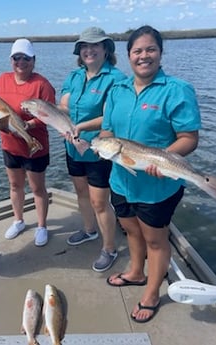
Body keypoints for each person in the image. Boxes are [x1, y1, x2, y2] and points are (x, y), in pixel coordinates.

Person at [101, 25, 202, 322]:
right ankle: (135, 272)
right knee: (131, 229)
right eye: (137, 51)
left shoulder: (176, 89)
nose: (143, 56)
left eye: (150, 49)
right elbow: (108, 130)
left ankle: (153, 291)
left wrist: (167, 159)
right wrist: (101, 144)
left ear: (160, 53)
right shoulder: (117, 89)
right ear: (128, 55)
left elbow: (189, 137)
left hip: (157, 186)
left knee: (156, 241)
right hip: (121, 179)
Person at [59, 27, 127, 272]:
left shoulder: (116, 79)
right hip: (72, 147)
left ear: (106, 49)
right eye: (84, 46)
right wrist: (51, 116)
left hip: (99, 149)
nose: (88, 50)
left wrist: (82, 125)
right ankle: (88, 230)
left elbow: (112, 115)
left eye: (94, 45)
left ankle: (109, 248)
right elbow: (64, 105)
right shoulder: (74, 76)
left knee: (100, 202)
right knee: (81, 194)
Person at [0, 38, 56, 246]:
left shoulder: (42, 84)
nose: (20, 62)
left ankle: (41, 226)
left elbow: (50, 114)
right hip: (9, 144)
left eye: (25, 58)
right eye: (16, 58)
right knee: (15, 184)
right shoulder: (2, 79)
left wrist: (31, 124)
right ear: (11, 60)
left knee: (37, 188)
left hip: (35, 145)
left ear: (33, 60)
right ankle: (18, 220)